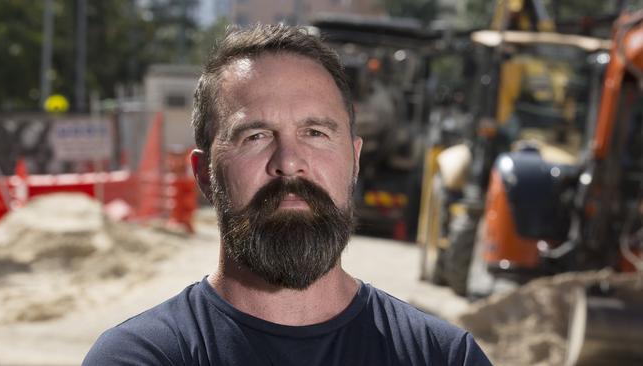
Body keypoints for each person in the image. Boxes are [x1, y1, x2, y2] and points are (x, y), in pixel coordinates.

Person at [83, 24, 492, 366]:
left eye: (315, 133)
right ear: (204, 174)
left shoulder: (444, 357)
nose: (290, 162)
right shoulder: (141, 358)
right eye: (255, 135)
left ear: (354, 160)